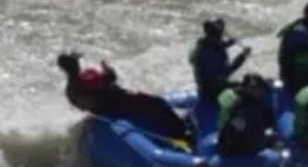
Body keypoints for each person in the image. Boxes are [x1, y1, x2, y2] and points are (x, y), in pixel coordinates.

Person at [56, 52, 190, 144]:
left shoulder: (69, 89)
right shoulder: (86, 79)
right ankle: (183, 134)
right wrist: (107, 68)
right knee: (158, 103)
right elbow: (110, 78)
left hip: (103, 110)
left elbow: (81, 104)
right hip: (119, 103)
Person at [189, 18, 251, 102]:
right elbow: (227, 71)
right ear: (215, 36)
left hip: (205, 87)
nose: (222, 38)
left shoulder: (202, 46)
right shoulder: (209, 54)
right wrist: (243, 56)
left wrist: (228, 44)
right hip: (212, 91)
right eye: (220, 36)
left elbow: (217, 46)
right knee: (246, 89)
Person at [216, 72, 276, 157]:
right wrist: (265, 137)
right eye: (256, 89)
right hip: (237, 145)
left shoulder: (252, 100)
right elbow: (240, 130)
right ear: (247, 89)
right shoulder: (240, 109)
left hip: (241, 135)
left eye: (260, 89)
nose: (260, 92)